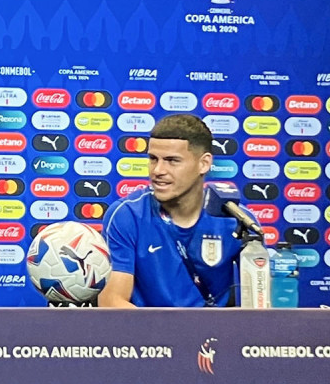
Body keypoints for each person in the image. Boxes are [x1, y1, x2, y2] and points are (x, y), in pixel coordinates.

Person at [98, 113, 241, 308]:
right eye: (153, 159)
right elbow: (112, 301)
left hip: (217, 335)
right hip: (149, 335)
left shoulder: (236, 220)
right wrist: (168, 335)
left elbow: (259, 306)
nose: (158, 170)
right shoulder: (126, 215)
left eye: (172, 161)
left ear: (204, 163)